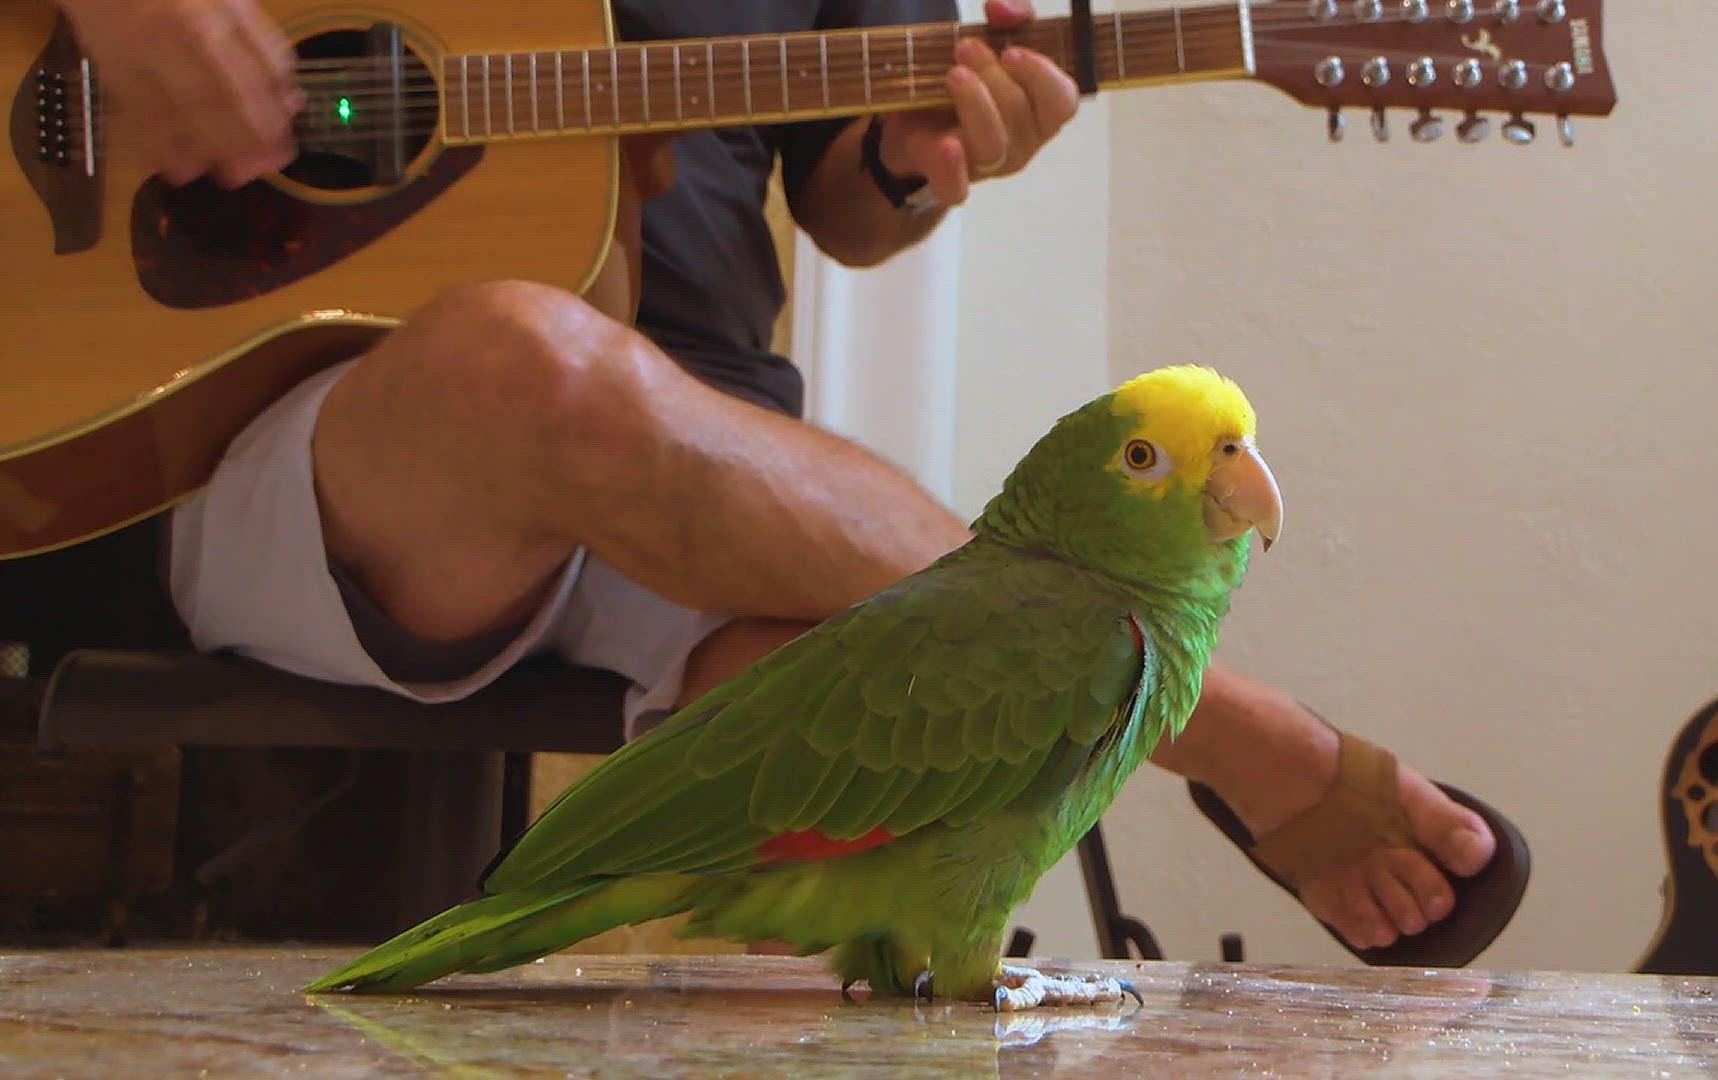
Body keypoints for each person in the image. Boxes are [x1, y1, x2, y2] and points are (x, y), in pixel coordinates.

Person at [58, 0, 1495, 955]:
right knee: (530, 361)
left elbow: (847, 201)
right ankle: (1211, 717)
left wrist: (911, 158)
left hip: (704, 448)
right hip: (277, 424)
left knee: (860, 837)